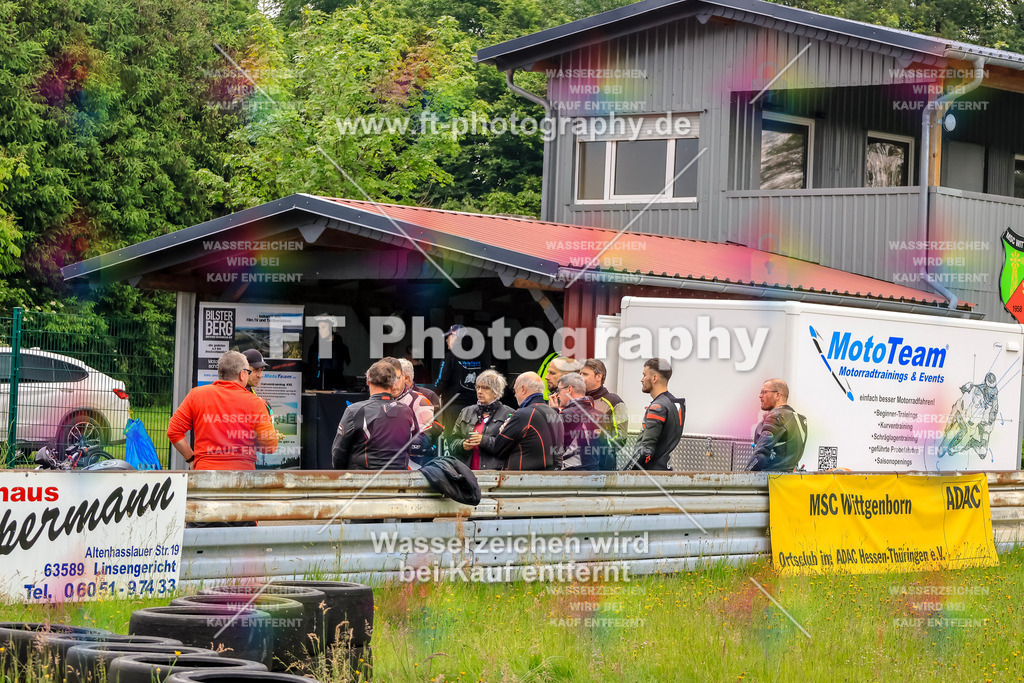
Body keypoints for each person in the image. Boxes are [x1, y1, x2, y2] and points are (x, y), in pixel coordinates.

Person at [167, 350, 279, 471]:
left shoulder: (196, 395)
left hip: (204, 473)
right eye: (248, 372)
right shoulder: (256, 403)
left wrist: (191, 458)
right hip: (242, 476)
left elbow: (173, 431)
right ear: (242, 374)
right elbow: (270, 446)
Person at [332, 360, 418, 470]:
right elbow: (411, 446)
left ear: (368, 381)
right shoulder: (407, 411)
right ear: (392, 384)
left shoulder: (355, 410)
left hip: (363, 482)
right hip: (398, 481)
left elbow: (338, 454)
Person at [490, 372, 563, 470]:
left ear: (523, 389)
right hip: (549, 478)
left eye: (515, 391)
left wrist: (503, 431)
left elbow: (497, 448)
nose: (515, 395)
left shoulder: (522, 414)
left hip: (522, 479)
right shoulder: (554, 413)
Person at [446, 370, 515, 469]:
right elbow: (452, 442)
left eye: (485, 388)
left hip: (494, 474)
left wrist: (483, 440)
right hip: (467, 473)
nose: (479, 391)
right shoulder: (466, 412)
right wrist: (462, 445)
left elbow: (508, 447)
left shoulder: (509, 414)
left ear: (496, 392)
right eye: (478, 387)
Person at [632, 358, 684, 471]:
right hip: (664, 469)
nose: (642, 380)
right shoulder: (674, 403)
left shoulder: (657, 407)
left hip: (650, 474)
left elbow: (646, 450)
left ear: (654, 378)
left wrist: (630, 472)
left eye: (644, 375)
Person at [433, 325, 485, 431]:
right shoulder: (479, 357)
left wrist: (429, 398)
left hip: (454, 407)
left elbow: (441, 382)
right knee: (471, 440)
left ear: (455, 338)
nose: (446, 340)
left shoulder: (449, 357)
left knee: (453, 440)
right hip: (476, 407)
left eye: (448, 336)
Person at [750, 378, 807, 472]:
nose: (760, 396)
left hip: (770, 481)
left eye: (764, 392)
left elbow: (760, 454)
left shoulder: (777, 416)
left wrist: (744, 477)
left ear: (777, 395)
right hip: (787, 481)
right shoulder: (800, 419)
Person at [581, 358, 628, 470]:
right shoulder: (577, 399)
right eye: (580, 373)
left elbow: (621, 438)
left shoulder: (614, 401)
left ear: (599, 377)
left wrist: (598, 442)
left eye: (585, 374)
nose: (580, 377)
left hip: (602, 468)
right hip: (578, 466)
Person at [554, 372, 601, 471]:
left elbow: (550, 441)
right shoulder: (600, 415)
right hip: (597, 472)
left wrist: (553, 412)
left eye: (559, 390)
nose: (558, 395)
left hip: (572, 474)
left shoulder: (567, 415)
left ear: (569, 389)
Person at [307, 315, 351, 390]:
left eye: (323, 327)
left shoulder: (341, 348)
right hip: (316, 389)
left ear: (332, 328)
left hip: (336, 389)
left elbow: (344, 366)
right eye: (319, 328)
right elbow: (312, 369)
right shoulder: (314, 348)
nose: (321, 330)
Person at [242, 348, 273, 419]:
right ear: (243, 369)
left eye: (261, 370)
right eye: (255, 370)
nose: (260, 375)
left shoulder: (257, 399)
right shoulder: (230, 395)